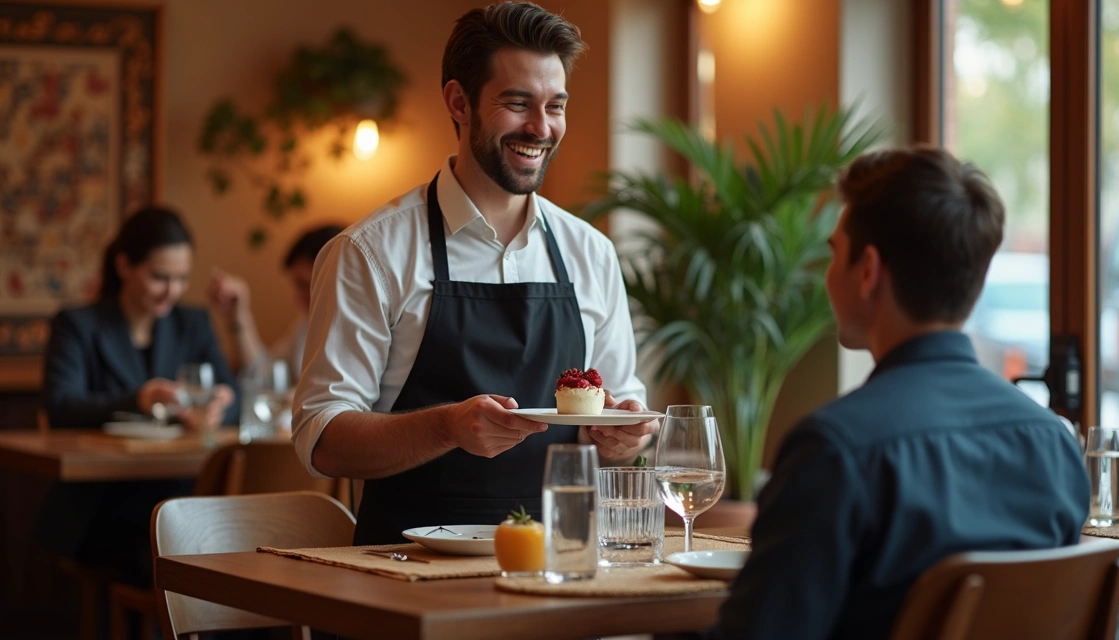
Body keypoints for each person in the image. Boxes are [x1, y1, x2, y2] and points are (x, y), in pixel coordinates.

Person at [292, 1, 657, 544]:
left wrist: (626, 438)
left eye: (555, 106)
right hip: (404, 571)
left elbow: (620, 415)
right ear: (459, 102)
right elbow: (321, 438)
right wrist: (446, 427)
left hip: (559, 562)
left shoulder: (592, 253)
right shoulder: (370, 251)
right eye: (518, 103)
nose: (541, 127)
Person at [707, 147, 1089, 639]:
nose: (826, 271)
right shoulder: (1054, 445)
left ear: (867, 271)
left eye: (833, 253)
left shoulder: (835, 451)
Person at [39, 205, 238, 587]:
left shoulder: (192, 323)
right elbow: (61, 407)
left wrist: (219, 408)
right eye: (160, 277)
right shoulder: (78, 325)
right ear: (124, 265)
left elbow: (232, 397)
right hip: (102, 502)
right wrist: (138, 399)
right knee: (179, 552)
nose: (173, 291)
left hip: (181, 494)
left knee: (219, 547)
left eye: (181, 278)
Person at [209, 223, 344, 380]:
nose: (298, 296)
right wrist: (238, 314)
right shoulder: (305, 326)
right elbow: (262, 373)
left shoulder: (364, 331)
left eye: (304, 285)